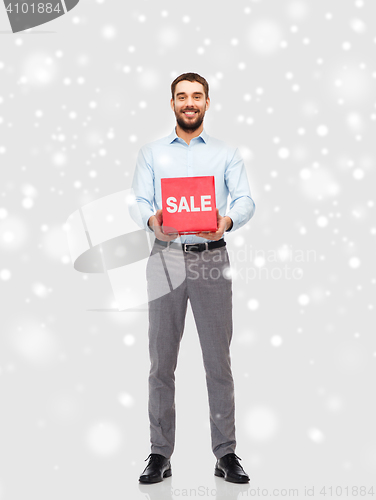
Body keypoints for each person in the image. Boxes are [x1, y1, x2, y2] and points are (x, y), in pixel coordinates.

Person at [129, 72, 256, 484]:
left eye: (196, 96)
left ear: (206, 102)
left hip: (211, 259)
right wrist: (151, 219)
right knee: (160, 361)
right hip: (165, 257)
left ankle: (226, 453)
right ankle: (158, 453)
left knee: (218, 361)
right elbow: (139, 199)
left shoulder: (225, 153)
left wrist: (228, 220)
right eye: (182, 96)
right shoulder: (151, 153)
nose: (189, 102)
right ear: (172, 103)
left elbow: (245, 199)